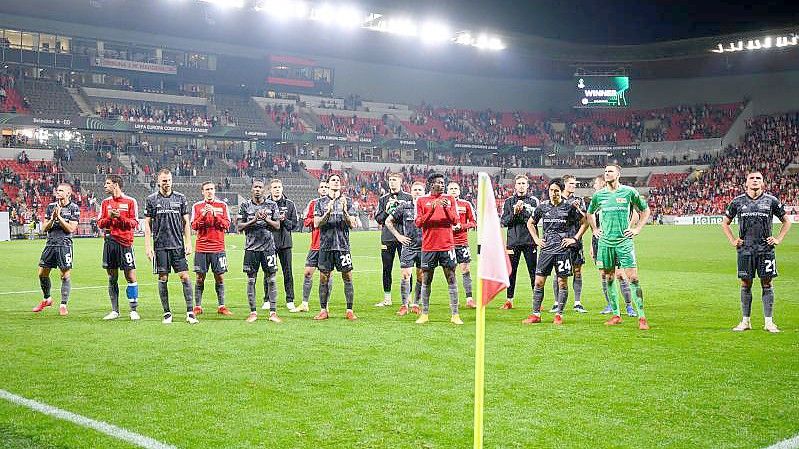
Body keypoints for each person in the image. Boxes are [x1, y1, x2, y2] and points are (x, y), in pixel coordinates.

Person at [721, 171, 791, 333]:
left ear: (763, 183)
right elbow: (725, 223)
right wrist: (733, 240)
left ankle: (769, 322)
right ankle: (745, 321)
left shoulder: (771, 201)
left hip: (766, 250)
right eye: (751, 178)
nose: (755, 180)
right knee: (745, 284)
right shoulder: (737, 201)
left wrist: (778, 238)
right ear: (746, 183)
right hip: (745, 250)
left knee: (767, 284)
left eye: (758, 178)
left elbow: (787, 221)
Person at [586, 165, 651, 330]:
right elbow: (590, 213)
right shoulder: (599, 195)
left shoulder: (629, 192)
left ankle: (642, 317)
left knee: (633, 278)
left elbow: (645, 210)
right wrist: (595, 229)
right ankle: (616, 315)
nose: (607, 173)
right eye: (606, 171)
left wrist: (637, 229)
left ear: (618, 174)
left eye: (610, 171)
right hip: (605, 242)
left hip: (624, 242)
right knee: (609, 278)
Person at [523, 179, 585, 325]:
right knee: (538, 282)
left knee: (562, 282)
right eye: (551, 190)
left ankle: (559, 314)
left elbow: (585, 222)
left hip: (563, 251)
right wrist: (536, 240)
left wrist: (574, 239)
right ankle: (536, 314)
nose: (553, 193)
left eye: (556, 190)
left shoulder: (569, 207)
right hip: (546, 250)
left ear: (561, 191)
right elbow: (530, 223)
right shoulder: (542, 206)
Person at [143, 169, 198, 325]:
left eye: (169, 180)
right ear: (158, 181)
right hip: (160, 246)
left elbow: (186, 222)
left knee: (185, 277)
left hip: (177, 245)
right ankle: (167, 313)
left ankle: (190, 312)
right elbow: (147, 223)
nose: (167, 183)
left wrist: (188, 242)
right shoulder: (151, 199)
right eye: (164, 180)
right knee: (163, 278)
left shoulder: (180, 198)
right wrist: (148, 246)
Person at [414, 173, 462, 325]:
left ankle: (455, 314)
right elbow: (418, 222)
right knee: (426, 279)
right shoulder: (422, 201)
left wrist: (447, 209)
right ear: (431, 185)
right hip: (429, 247)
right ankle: (425, 314)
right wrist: (432, 210)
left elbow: (455, 221)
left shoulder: (450, 200)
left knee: (452, 278)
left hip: (447, 245)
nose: (442, 185)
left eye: (443, 183)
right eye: (439, 183)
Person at [590, 175, 637, 317]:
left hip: (617, 239)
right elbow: (592, 222)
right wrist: (592, 244)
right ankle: (611, 304)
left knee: (621, 275)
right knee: (604, 275)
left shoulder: (616, 196)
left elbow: (634, 215)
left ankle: (629, 306)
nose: (594, 186)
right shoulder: (598, 198)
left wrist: (629, 228)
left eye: (596, 183)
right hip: (600, 241)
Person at [313, 174, 358, 321]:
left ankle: (349, 310)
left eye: (338, 180)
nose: (336, 182)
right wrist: (328, 212)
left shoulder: (349, 202)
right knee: (324, 277)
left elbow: (352, 224)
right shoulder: (320, 202)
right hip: (326, 246)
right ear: (328, 184)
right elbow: (316, 223)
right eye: (333, 180)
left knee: (347, 276)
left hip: (343, 246)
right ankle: (323, 310)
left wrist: (344, 211)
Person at [32, 183, 80, 316]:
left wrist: (59, 218)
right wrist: (53, 219)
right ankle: (47, 299)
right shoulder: (51, 207)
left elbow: (71, 229)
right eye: (57, 190)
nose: (57, 192)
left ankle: (63, 305)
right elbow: (44, 228)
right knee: (42, 273)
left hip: (64, 244)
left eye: (61, 190)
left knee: (64, 275)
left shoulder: (74, 208)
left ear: (68, 193)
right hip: (50, 243)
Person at [238, 179, 283, 323]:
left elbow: (277, 226)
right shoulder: (245, 205)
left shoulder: (272, 205)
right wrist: (254, 220)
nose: (257, 189)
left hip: (268, 248)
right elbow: (239, 227)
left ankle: (273, 313)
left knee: (272, 280)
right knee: (251, 280)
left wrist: (266, 219)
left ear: (264, 190)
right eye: (255, 187)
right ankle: (253, 312)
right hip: (251, 248)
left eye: (260, 187)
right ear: (251, 189)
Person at [97, 175, 140, 321]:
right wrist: (109, 218)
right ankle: (115, 310)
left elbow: (134, 223)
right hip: (110, 243)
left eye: (108, 183)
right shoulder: (105, 203)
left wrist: (119, 217)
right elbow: (100, 223)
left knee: (130, 276)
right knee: (112, 278)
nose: (105, 186)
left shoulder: (130, 201)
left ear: (116, 185)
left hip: (125, 243)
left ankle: (133, 310)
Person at [190, 181, 233, 317]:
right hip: (201, 248)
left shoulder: (222, 206)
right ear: (202, 191)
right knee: (199, 278)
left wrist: (215, 215)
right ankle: (197, 306)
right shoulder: (197, 206)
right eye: (207, 189)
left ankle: (221, 306)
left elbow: (226, 225)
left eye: (211, 189)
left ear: (215, 191)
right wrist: (203, 215)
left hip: (218, 248)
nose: (209, 191)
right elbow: (194, 226)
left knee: (219, 277)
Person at [385, 181, 426, 316]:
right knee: (405, 275)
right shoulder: (404, 206)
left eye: (420, 190)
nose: (417, 192)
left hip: (424, 247)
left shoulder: (427, 207)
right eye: (415, 190)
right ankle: (404, 305)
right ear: (411, 191)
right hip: (408, 246)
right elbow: (388, 221)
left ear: (424, 192)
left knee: (421, 276)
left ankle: (415, 303)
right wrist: (398, 236)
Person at [549, 175, 589, 313]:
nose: (574, 186)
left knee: (577, 271)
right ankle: (556, 302)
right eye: (571, 183)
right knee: (558, 273)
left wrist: (577, 209)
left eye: (575, 184)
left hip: (575, 240)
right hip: (560, 241)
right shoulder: (557, 199)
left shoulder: (579, 200)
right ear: (564, 185)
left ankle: (577, 303)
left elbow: (585, 219)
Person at [499, 174, 539, 309]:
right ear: (515, 186)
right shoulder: (509, 202)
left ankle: (537, 300)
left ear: (527, 186)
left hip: (530, 241)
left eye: (523, 183)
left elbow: (536, 220)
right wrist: (515, 212)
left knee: (533, 271)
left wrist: (522, 212)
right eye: (519, 183)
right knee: (511, 271)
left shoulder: (534, 201)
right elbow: (504, 221)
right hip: (513, 242)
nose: (521, 186)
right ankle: (509, 300)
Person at [373, 172, 412, 307]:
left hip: (404, 238)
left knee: (407, 269)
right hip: (387, 238)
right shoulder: (383, 199)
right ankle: (387, 298)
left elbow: (410, 217)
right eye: (390, 180)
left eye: (395, 180)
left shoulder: (408, 198)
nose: (392, 182)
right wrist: (387, 210)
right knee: (386, 268)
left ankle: (409, 298)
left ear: (401, 182)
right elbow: (378, 219)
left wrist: (398, 211)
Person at [298, 180, 333, 313]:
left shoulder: (334, 202)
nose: (324, 189)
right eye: (322, 187)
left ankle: (326, 304)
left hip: (329, 245)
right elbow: (306, 221)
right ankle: (304, 303)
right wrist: (318, 220)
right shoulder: (313, 203)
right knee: (307, 273)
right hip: (315, 244)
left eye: (326, 187)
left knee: (327, 275)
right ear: (318, 190)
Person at [267, 179, 299, 312]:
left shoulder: (290, 204)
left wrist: (284, 220)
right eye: (274, 187)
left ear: (282, 188)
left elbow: (295, 225)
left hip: (285, 243)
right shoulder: (265, 204)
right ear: (270, 189)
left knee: (288, 272)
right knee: (268, 271)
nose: (277, 189)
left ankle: (290, 299)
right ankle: (267, 299)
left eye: (279, 187)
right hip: (269, 244)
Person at [447, 181, 477, 309]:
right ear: (447, 191)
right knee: (450, 272)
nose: (453, 190)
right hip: (447, 244)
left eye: (455, 188)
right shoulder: (444, 204)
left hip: (462, 243)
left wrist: (461, 226)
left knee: (465, 270)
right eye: (451, 188)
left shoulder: (466, 204)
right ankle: (454, 299)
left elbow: (473, 222)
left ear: (459, 191)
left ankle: (469, 299)